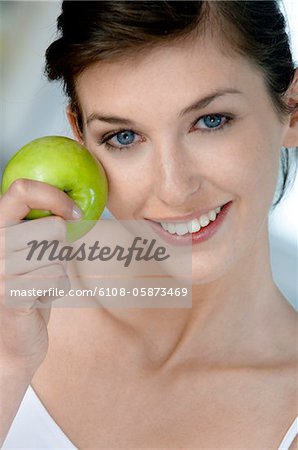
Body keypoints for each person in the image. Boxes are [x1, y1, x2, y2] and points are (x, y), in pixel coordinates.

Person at [1, 1, 298, 448]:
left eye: (210, 120)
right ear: (80, 138)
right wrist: (8, 362)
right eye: (124, 137)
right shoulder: (10, 300)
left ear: (291, 109)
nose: (174, 188)